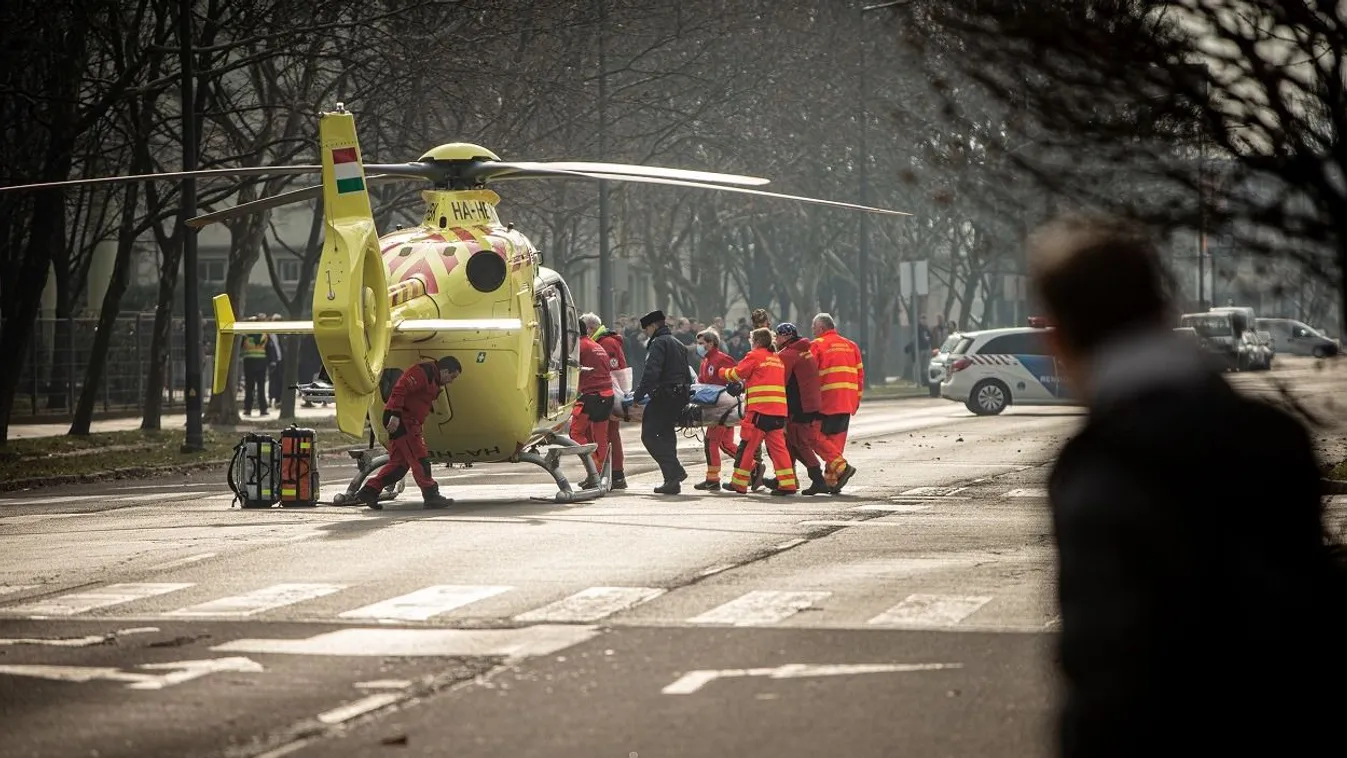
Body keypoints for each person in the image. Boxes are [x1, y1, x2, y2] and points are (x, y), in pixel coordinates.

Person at [1027, 213, 1347, 758]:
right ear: (1162, 309)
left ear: (1059, 337)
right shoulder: (1273, 432)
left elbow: (1112, 660)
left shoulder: (1101, 461)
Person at [355, 356, 462, 510]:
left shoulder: (432, 378)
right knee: (420, 458)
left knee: (399, 465)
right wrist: (396, 415)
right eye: (452, 376)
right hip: (403, 421)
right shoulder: (423, 372)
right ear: (445, 371)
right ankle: (431, 495)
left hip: (406, 421)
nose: (451, 381)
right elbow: (400, 388)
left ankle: (369, 491)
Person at [718, 328, 796, 495]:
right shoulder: (776, 359)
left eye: (751, 340)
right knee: (778, 449)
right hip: (778, 412)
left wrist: (722, 372)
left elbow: (737, 373)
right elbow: (762, 380)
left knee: (747, 447)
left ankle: (739, 484)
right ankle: (788, 484)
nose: (750, 343)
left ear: (758, 341)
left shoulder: (755, 355)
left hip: (759, 411)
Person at [632, 310, 690, 494]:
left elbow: (652, 372)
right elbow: (687, 373)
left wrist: (638, 395)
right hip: (679, 394)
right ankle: (672, 481)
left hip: (664, 395)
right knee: (666, 435)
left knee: (649, 435)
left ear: (653, 326)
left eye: (647, 329)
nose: (646, 333)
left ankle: (675, 470)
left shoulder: (658, 343)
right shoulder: (678, 343)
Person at [768, 323, 829, 494]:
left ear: (786, 337)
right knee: (790, 443)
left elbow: (780, 381)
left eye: (778, 336)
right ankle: (784, 477)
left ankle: (817, 480)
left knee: (799, 443)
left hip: (799, 405)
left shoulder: (788, 355)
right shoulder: (804, 351)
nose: (776, 339)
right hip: (808, 404)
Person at [809, 313, 861, 492]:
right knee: (835, 443)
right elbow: (860, 376)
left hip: (826, 401)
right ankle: (831, 481)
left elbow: (810, 376)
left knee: (814, 437)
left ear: (822, 328)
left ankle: (843, 468)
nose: (812, 330)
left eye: (813, 327)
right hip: (846, 401)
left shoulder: (816, 345)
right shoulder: (851, 345)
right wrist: (856, 400)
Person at [585, 314, 629, 490]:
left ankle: (615, 474)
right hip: (605, 393)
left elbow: (614, 369)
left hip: (606, 393)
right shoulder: (603, 342)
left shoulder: (606, 343)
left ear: (592, 328)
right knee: (605, 435)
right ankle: (606, 474)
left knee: (608, 436)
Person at [693, 328, 739, 490]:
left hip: (723, 409)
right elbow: (702, 382)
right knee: (726, 444)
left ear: (711, 344)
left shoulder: (722, 359)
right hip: (715, 410)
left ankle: (712, 479)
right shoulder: (705, 362)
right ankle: (753, 468)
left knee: (711, 442)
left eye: (701, 343)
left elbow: (735, 380)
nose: (698, 346)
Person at [570, 323, 615, 488]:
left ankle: (594, 471)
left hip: (591, 396)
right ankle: (603, 475)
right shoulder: (595, 345)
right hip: (606, 395)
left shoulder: (579, 347)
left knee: (575, 433)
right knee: (600, 438)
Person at [240, 316, 271, 417]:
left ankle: (247, 409)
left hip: (249, 362)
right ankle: (263, 409)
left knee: (249, 387)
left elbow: (241, 346)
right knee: (261, 387)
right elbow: (269, 349)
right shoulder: (265, 334)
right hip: (261, 362)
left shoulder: (246, 335)